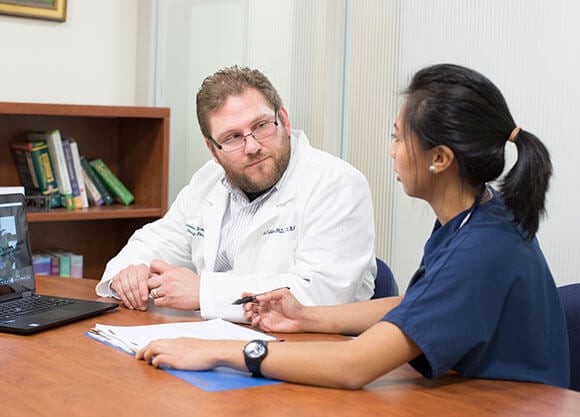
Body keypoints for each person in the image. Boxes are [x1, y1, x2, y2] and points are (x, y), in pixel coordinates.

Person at [135, 63, 570, 389]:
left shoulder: (480, 248)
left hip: (507, 405)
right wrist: (307, 317)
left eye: (399, 138)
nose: (391, 151)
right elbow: (418, 302)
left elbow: (352, 367)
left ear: (439, 159)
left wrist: (217, 352)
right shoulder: (476, 218)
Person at [95, 66, 376, 322]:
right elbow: (156, 241)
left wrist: (203, 292)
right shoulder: (208, 180)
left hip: (308, 349)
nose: (252, 146)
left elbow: (321, 294)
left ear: (285, 121)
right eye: (232, 137)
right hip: (216, 342)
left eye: (261, 126)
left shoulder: (337, 184)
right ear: (212, 149)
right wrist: (130, 271)